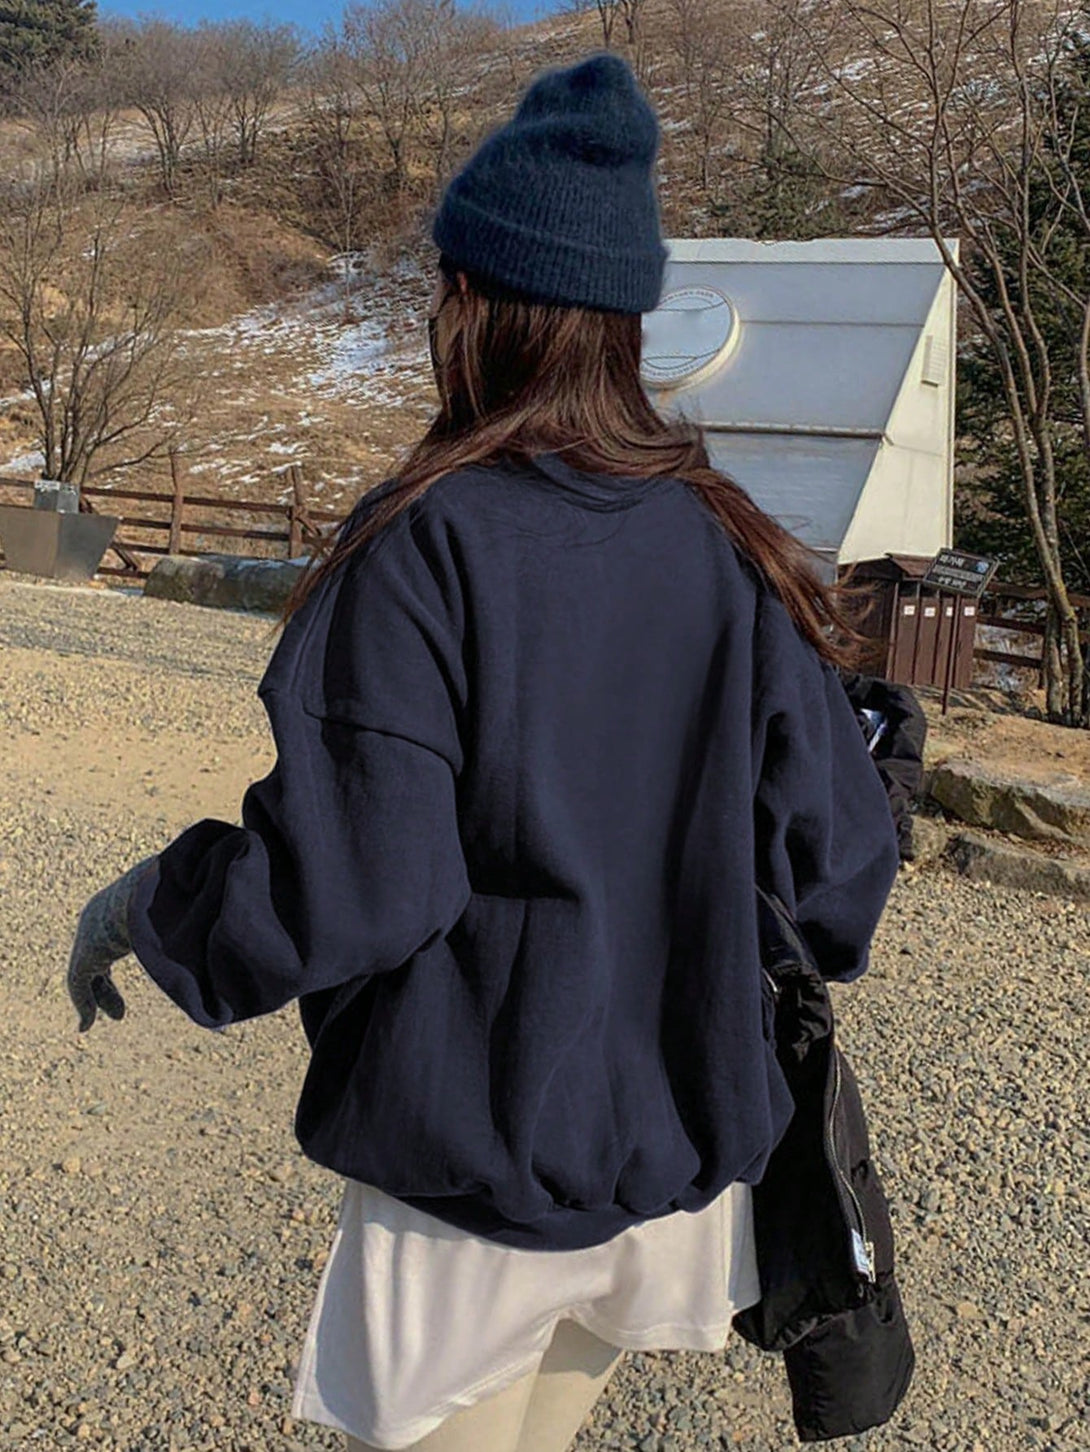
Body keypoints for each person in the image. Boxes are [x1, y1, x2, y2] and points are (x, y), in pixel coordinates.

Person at [66, 53, 900, 1452]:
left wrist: (153, 907)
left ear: (473, 304)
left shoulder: (424, 545)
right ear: (624, 324)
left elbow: (357, 885)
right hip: (668, 1173)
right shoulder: (721, 539)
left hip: (474, 1173)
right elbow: (835, 878)